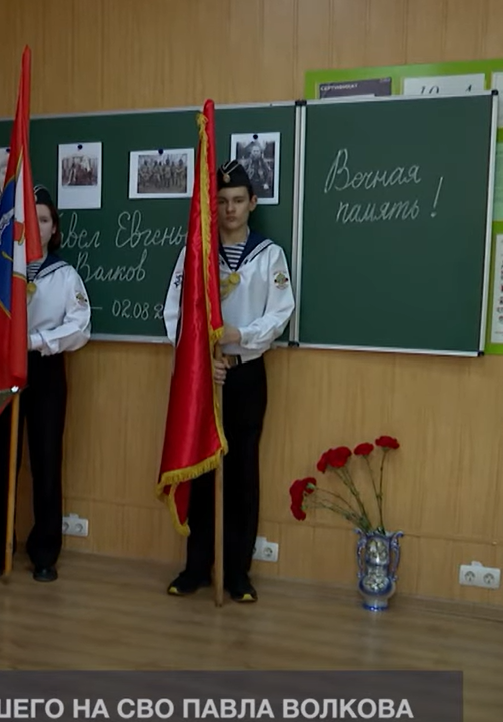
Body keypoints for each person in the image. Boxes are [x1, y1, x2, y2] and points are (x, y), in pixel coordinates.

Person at [163, 159, 295, 603]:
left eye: (238, 200)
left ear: (253, 203)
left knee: (242, 473)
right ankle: (196, 567)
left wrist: (241, 336)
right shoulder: (195, 254)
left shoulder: (269, 255)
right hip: (203, 376)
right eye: (221, 201)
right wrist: (202, 358)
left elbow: (280, 313)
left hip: (246, 375)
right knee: (201, 469)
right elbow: (174, 312)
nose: (230, 209)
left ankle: (237, 573)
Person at [0, 185, 92, 583]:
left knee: (46, 460)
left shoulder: (64, 275)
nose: (37, 226)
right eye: (29, 220)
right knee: (0, 460)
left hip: (45, 369)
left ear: (54, 229)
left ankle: (45, 552)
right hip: (2, 369)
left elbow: (80, 327)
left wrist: (34, 341)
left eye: (44, 220)